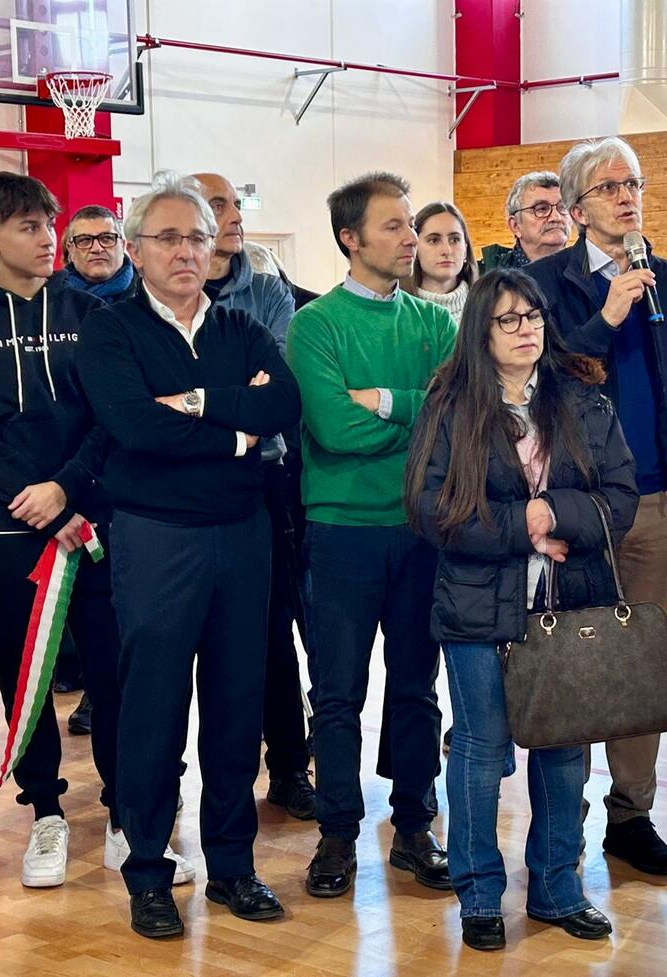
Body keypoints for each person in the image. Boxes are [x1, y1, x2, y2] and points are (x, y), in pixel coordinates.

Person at [0, 172, 193, 891]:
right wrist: (37, 500)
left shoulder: (91, 312)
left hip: (93, 519)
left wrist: (68, 490)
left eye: (49, 224)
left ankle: (125, 816)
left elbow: (112, 415)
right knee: (25, 679)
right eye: (29, 227)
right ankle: (45, 811)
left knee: (116, 675)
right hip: (8, 524)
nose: (48, 239)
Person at [77, 172, 301, 939]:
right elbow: (134, 427)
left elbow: (283, 404)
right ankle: (148, 869)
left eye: (198, 238)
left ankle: (232, 865)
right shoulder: (110, 330)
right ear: (135, 249)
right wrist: (237, 435)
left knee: (238, 705)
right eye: (168, 237)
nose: (185, 251)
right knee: (153, 708)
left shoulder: (241, 327)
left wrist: (202, 404)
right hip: (155, 537)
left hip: (243, 535)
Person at [405, 268, 636, 947]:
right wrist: (524, 526)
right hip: (478, 604)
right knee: (481, 749)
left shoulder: (582, 398)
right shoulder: (450, 405)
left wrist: (555, 512)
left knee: (564, 749)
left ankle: (558, 887)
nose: (525, 328)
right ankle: (479, 894)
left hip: (569, 600)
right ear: (481, 331)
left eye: (532, 316)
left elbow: (620, 497)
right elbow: (429, 507)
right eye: (508, 319)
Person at [526, 136, 667, 878]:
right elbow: (538, 377)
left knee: (640, 661)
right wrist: (605, 316)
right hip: (574, 505)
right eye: (608, 187)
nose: (626, 196)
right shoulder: (542, 285)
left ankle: (631, 815)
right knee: (573, 660)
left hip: (658, 500)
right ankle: (561, 819)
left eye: (632, 183)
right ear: (576, 210)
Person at [287, 171, 456, 898]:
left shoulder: (435, 323)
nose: (410, 237)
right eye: (394, 225)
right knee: (337, 692)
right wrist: (418, 419)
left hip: (421, 529)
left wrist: (385, 401)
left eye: (411, 223)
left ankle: (415, 826)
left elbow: (457, 415)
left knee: (417, 687)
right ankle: (337, 833)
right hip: (342, 532)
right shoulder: (316, 325)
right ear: (350, 238)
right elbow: (333, 427)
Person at [191, 171, 315, 820]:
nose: (236, 215)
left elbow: (275, 390)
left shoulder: (267, 292)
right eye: (220, 204)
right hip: (179, 488)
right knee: (183, 640)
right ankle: (192, 784)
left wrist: (194, 400)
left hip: (264, 483)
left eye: (237, 204)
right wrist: (230, 393)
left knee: (271, 634)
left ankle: (289, 766)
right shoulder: (153, 303)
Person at [478, 172, 572, 273]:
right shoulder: (487, 278)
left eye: (563, 207)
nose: (556, 217)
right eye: (541, 209)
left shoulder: (583, 269)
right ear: (515, 226)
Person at [403, 201, 478, 323]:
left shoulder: (489, 308)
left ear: (465, 249)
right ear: (415, 247)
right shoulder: (396, 311)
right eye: (434, 240)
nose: (446, 250)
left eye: (454, 240)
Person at [52, 204, 138, 304]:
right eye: (84, 240)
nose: (97, 249)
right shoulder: (50, 296)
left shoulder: (149, 290)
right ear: (71, 249)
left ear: (123, 245)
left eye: (107, 238)